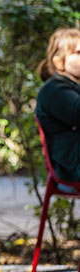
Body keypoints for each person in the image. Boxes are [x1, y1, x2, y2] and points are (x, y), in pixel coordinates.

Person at [35, 28, 80, 191]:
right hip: (70, 166)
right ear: (59, 62)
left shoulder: (72, 86)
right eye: (78, 53)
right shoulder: (54, 90)